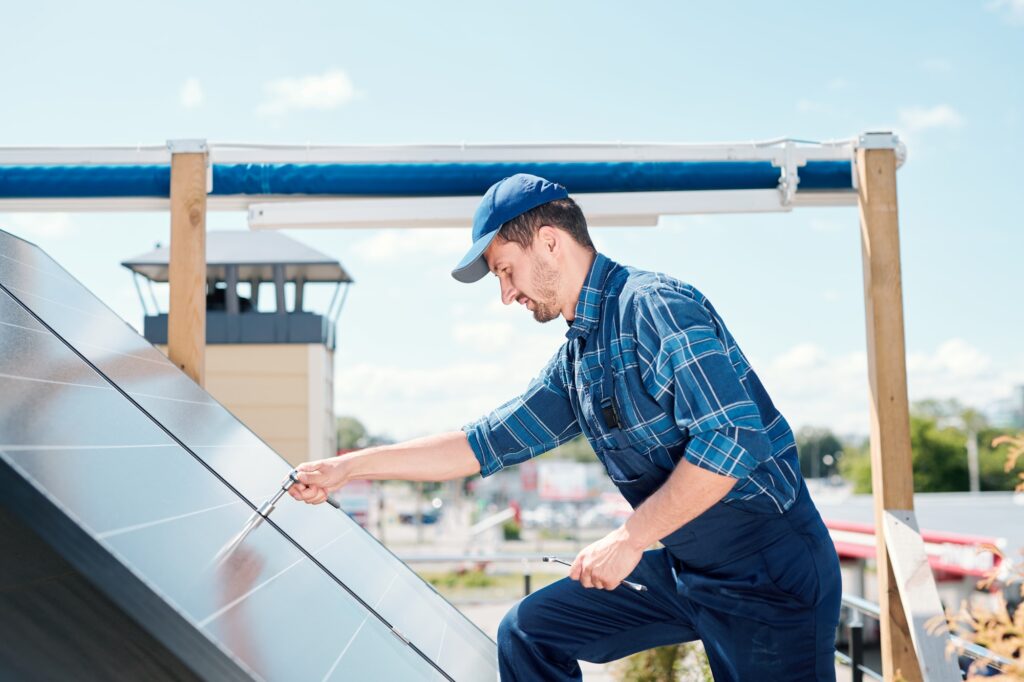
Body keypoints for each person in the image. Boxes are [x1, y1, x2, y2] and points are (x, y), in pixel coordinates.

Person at [290, 173, 842, 681]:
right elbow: (480, 444)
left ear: (550, 242)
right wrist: (349, 468)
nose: (505, 293)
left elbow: (733, 438)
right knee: (529, 631)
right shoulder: (579, 360)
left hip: (770, 576)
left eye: (505, 270)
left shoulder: (655, 308)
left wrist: (629, 540)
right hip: (688, 567)